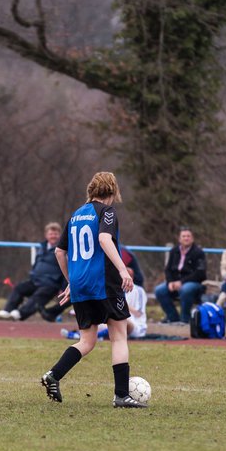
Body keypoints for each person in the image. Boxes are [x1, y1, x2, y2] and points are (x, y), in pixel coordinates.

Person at [41, 171, 146, 408]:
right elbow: (104, 240)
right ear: (112, 190)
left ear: (91, 190)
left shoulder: (75, 215)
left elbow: (60, 252)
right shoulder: (107, 212)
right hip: (103, 283)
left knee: (86, 341)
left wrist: (72, 281)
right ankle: (121, 395)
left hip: (81, 285)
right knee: (119, 336)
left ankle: (53, 375)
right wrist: (122, 271)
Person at [0, 222, 66, 322]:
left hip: (51, 284)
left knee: (38, 296)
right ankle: (7, 311)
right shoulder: (42, 247)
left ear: (60, 235)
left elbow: (66, 269)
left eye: (55, 234)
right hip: (35, 280)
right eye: (51, 233)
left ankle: (19, 314)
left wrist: (63, 288)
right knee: (19, 288)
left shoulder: (63, 249)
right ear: (46, 235)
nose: (53, 236)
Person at [153, 226, 207, 324]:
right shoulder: (174, 251)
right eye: (183, 236)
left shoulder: (198, 252)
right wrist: (170, 282)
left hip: (193, 284)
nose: (186, 238)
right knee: (159, 290)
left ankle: (185, 319)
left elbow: (200, 273)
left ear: (192, 238)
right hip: (174, 282)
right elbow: (168, 269)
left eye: (188, 236)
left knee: (186, 289)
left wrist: (181, 282)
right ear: (179, 239)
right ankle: (173, 318)